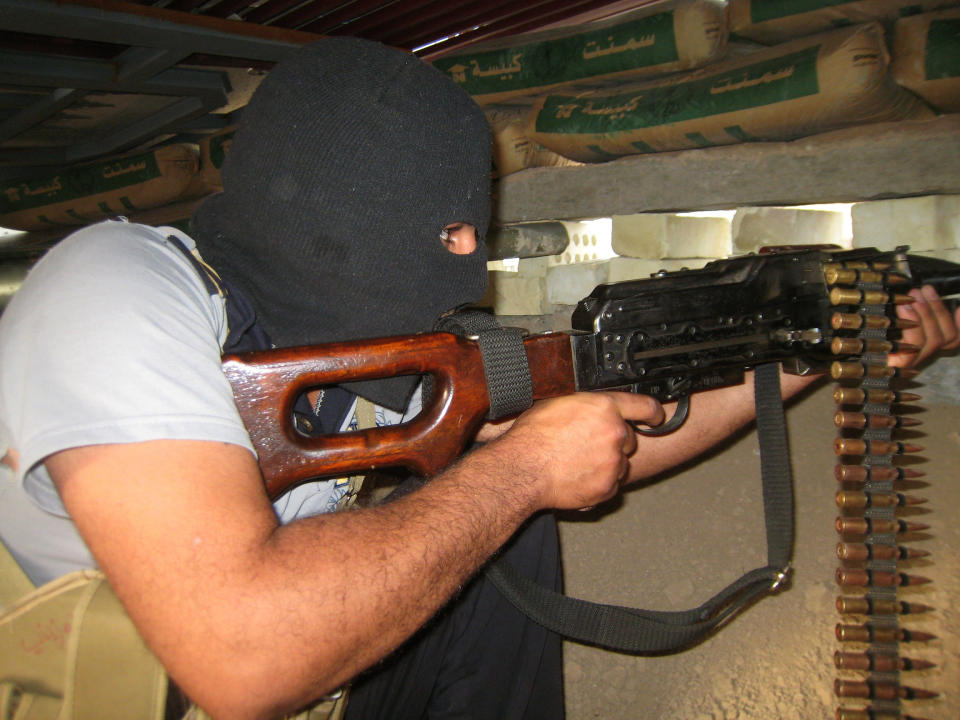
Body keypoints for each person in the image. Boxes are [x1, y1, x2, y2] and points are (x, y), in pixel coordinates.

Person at [0, 36, 957, 720]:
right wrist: (520, 474)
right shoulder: (115, 290)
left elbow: (602, 433)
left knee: (501, 518)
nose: (471, 261)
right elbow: (243, 663)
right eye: (448, 231)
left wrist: (815, 352)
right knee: (497, 497)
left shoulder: (350, 322)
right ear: (330, 207)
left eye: (477, 228)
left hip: (302, 660)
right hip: (132, 682)